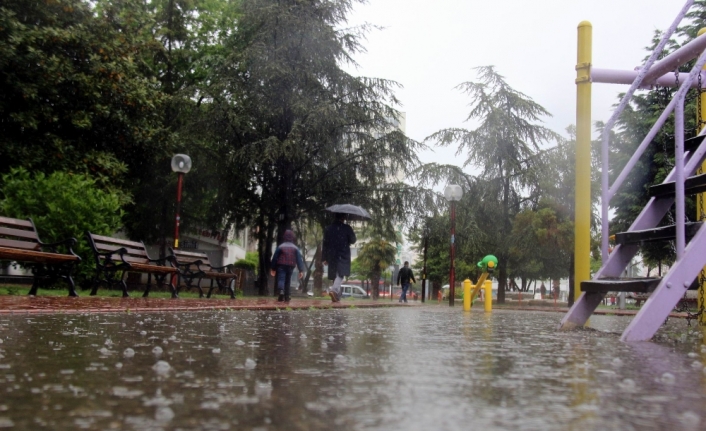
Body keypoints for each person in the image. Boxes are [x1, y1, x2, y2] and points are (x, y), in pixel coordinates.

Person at [322, 213, 356, 302]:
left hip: (331, 254)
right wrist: (349, 231)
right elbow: (353, 240)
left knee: (334, 274)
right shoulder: (347, 228)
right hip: (343, 253)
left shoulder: (328, 228)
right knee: (340, 274)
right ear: (344, 217)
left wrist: (324, 257)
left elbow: (325, 244)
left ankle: (337, 296)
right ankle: (334, 290)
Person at [270, 229, 306, 302]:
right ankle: (287, 295)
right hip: (291, 265)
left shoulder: (280, 247)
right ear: (292, 237)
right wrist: (301, 270)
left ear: (284, 237)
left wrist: (273, 268)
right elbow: (299, 259)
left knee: (281, 279)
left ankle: (281, 292)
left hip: (281, 265)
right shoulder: (295, 248)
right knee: (288, 280)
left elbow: (275, 257)